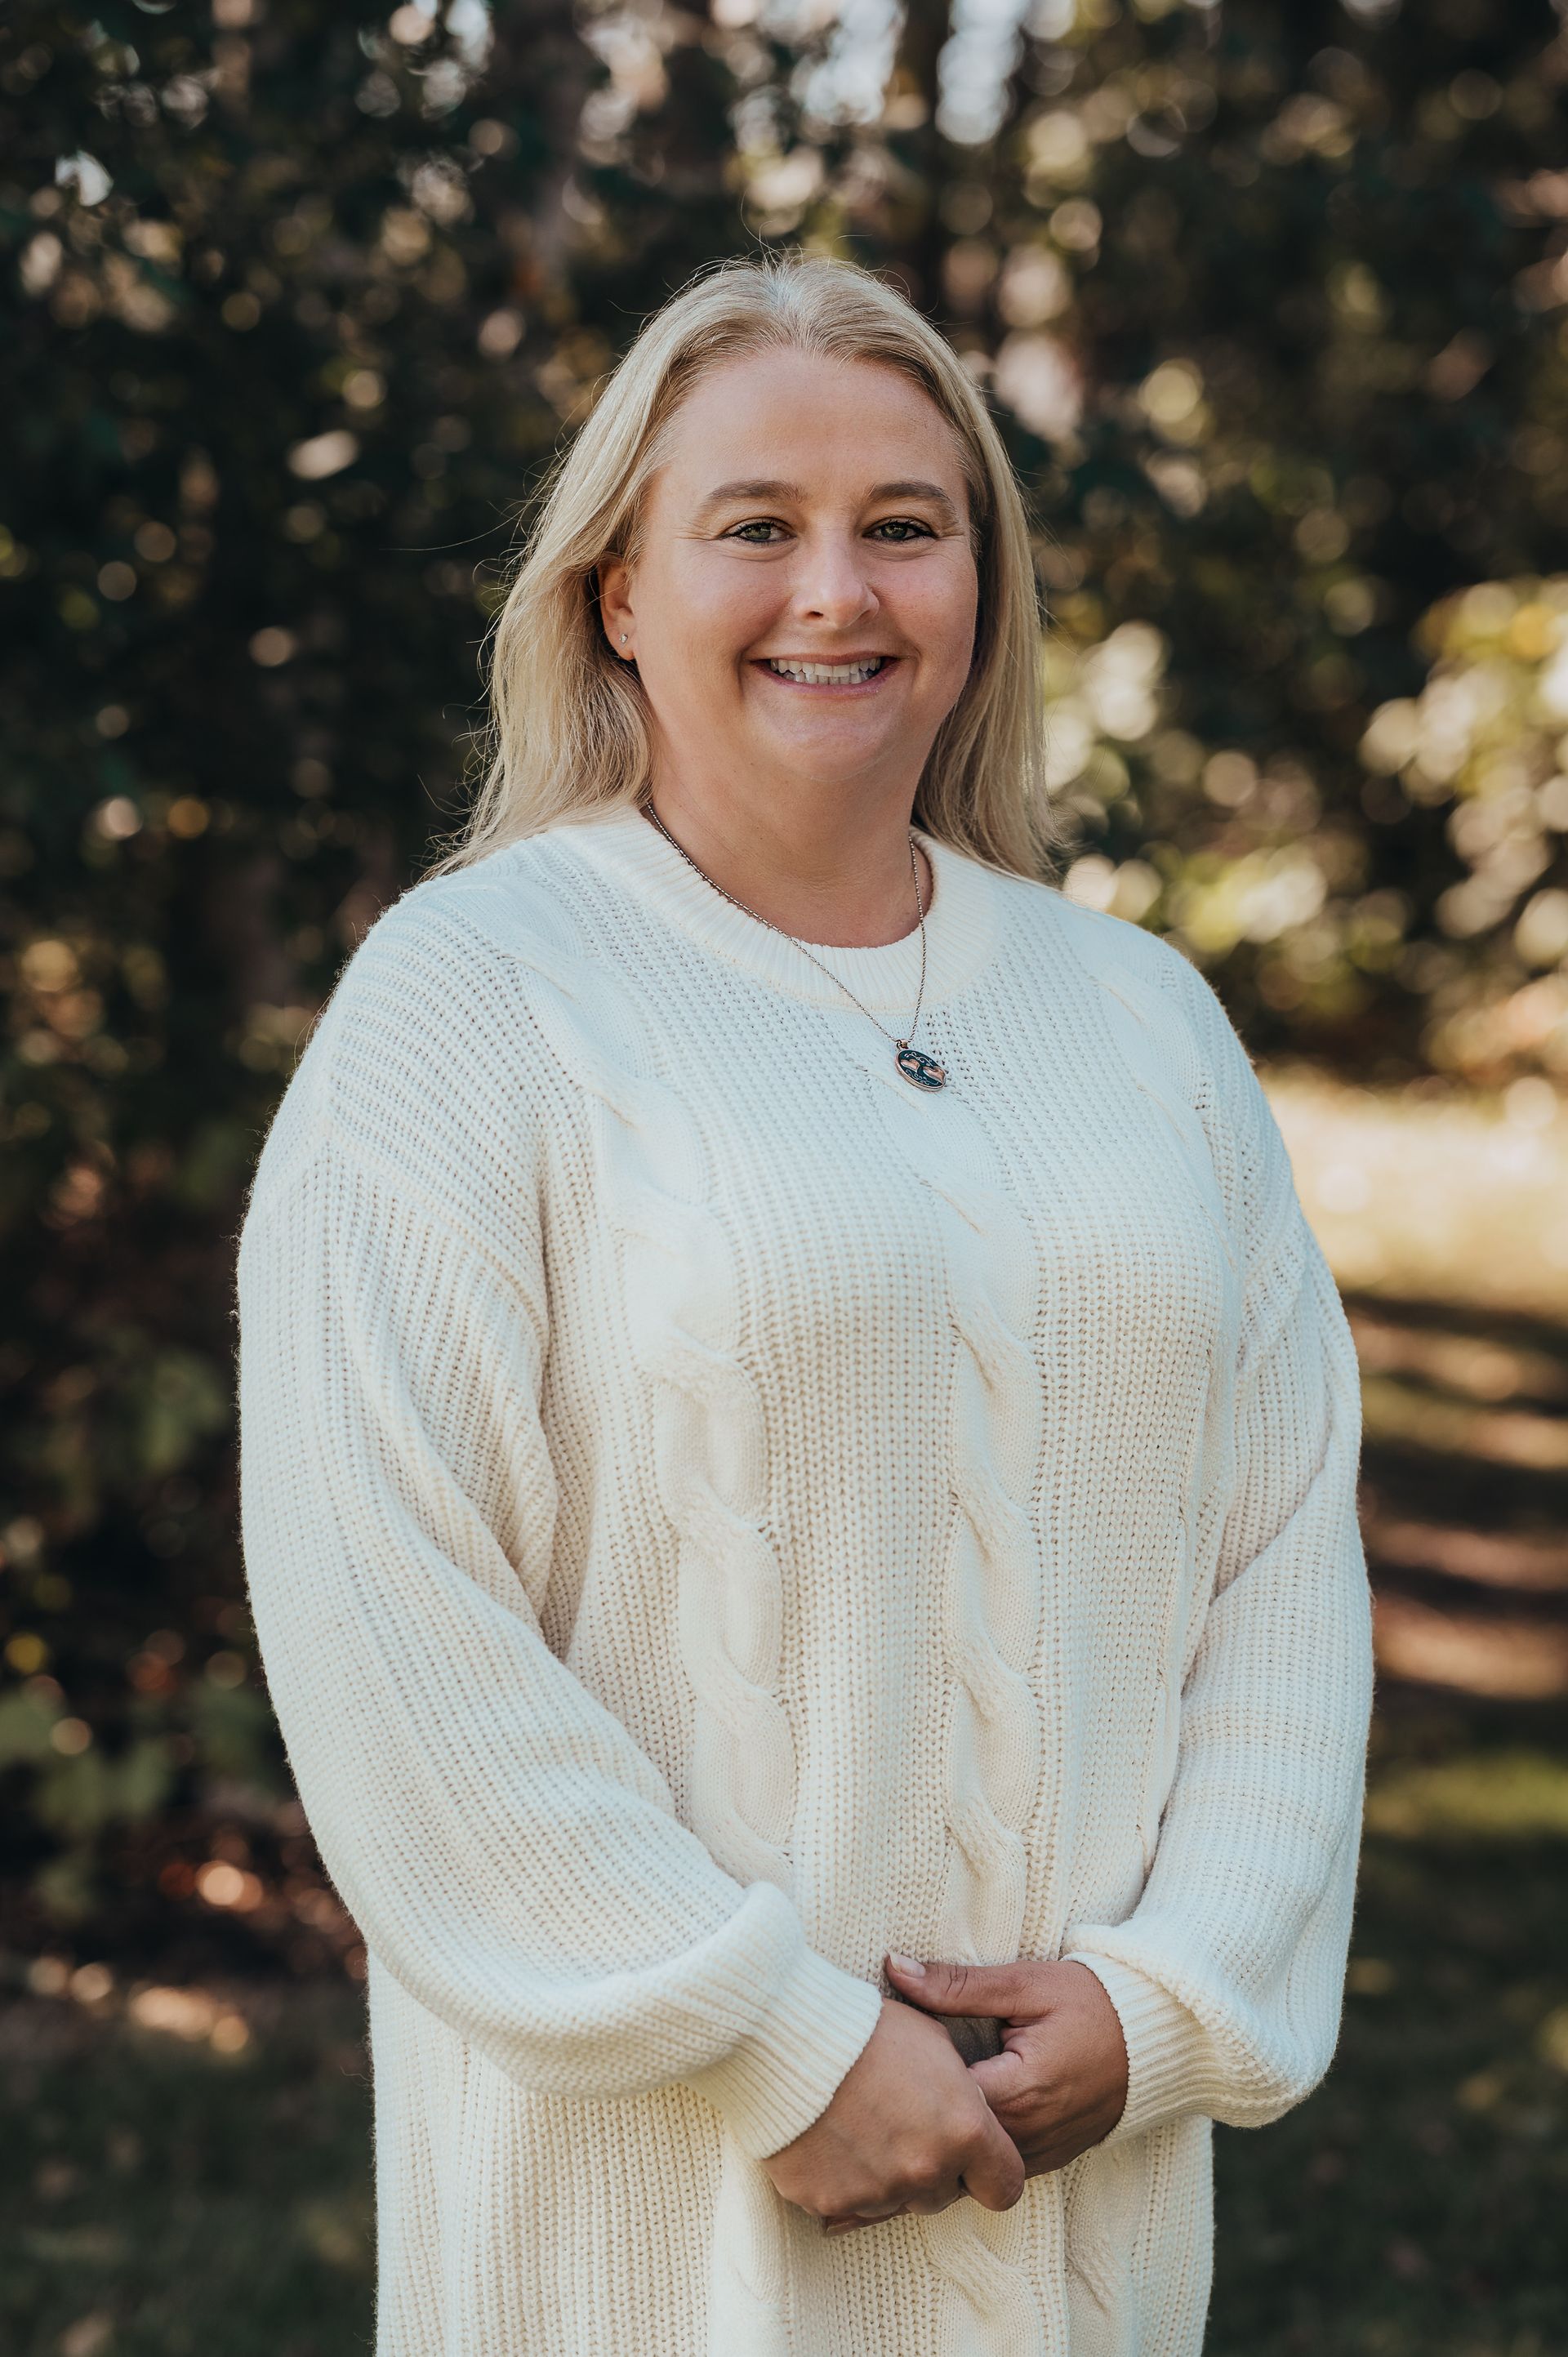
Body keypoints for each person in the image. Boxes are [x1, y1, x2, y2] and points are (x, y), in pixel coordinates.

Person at [235, 253, 1374, 2357]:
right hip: (642, 2237)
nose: (834, 593)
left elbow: (1286, 1561)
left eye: (904, 529)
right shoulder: (474, 1004)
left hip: (1082, 2237)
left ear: (979, 588)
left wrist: (1168, 2004)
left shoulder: (1143, 1023)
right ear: (615, 595)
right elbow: (386, 1615)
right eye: (755, 527)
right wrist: (775, 2040)